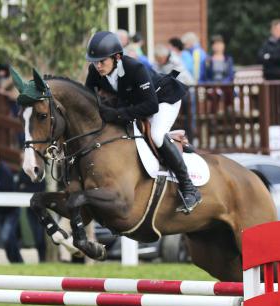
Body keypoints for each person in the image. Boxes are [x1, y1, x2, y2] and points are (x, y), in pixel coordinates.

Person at [84, 30, 200, 214]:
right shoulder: (95, 72)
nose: (98, 66)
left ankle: (189, 188)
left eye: (102, 61)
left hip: (163, 99)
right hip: (138, 103)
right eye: (94, 61)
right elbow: (87, 99)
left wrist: (116, 114)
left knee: (156, 134)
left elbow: (151, 106)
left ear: (117, 57)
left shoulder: (135, 69)